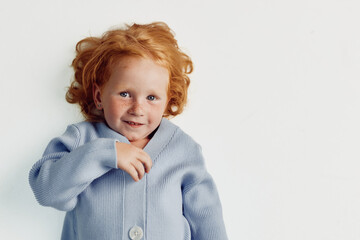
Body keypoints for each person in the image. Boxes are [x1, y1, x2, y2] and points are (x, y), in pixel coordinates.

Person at [29, 22, 228, 240]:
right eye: (125, 94)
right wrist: (104, 153)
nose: (137, 109)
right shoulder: (81, 140)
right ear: (99, 96)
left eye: (151, 98)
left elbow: (207, 219)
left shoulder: (183, 149)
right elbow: (47, 192)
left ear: (167, 100)